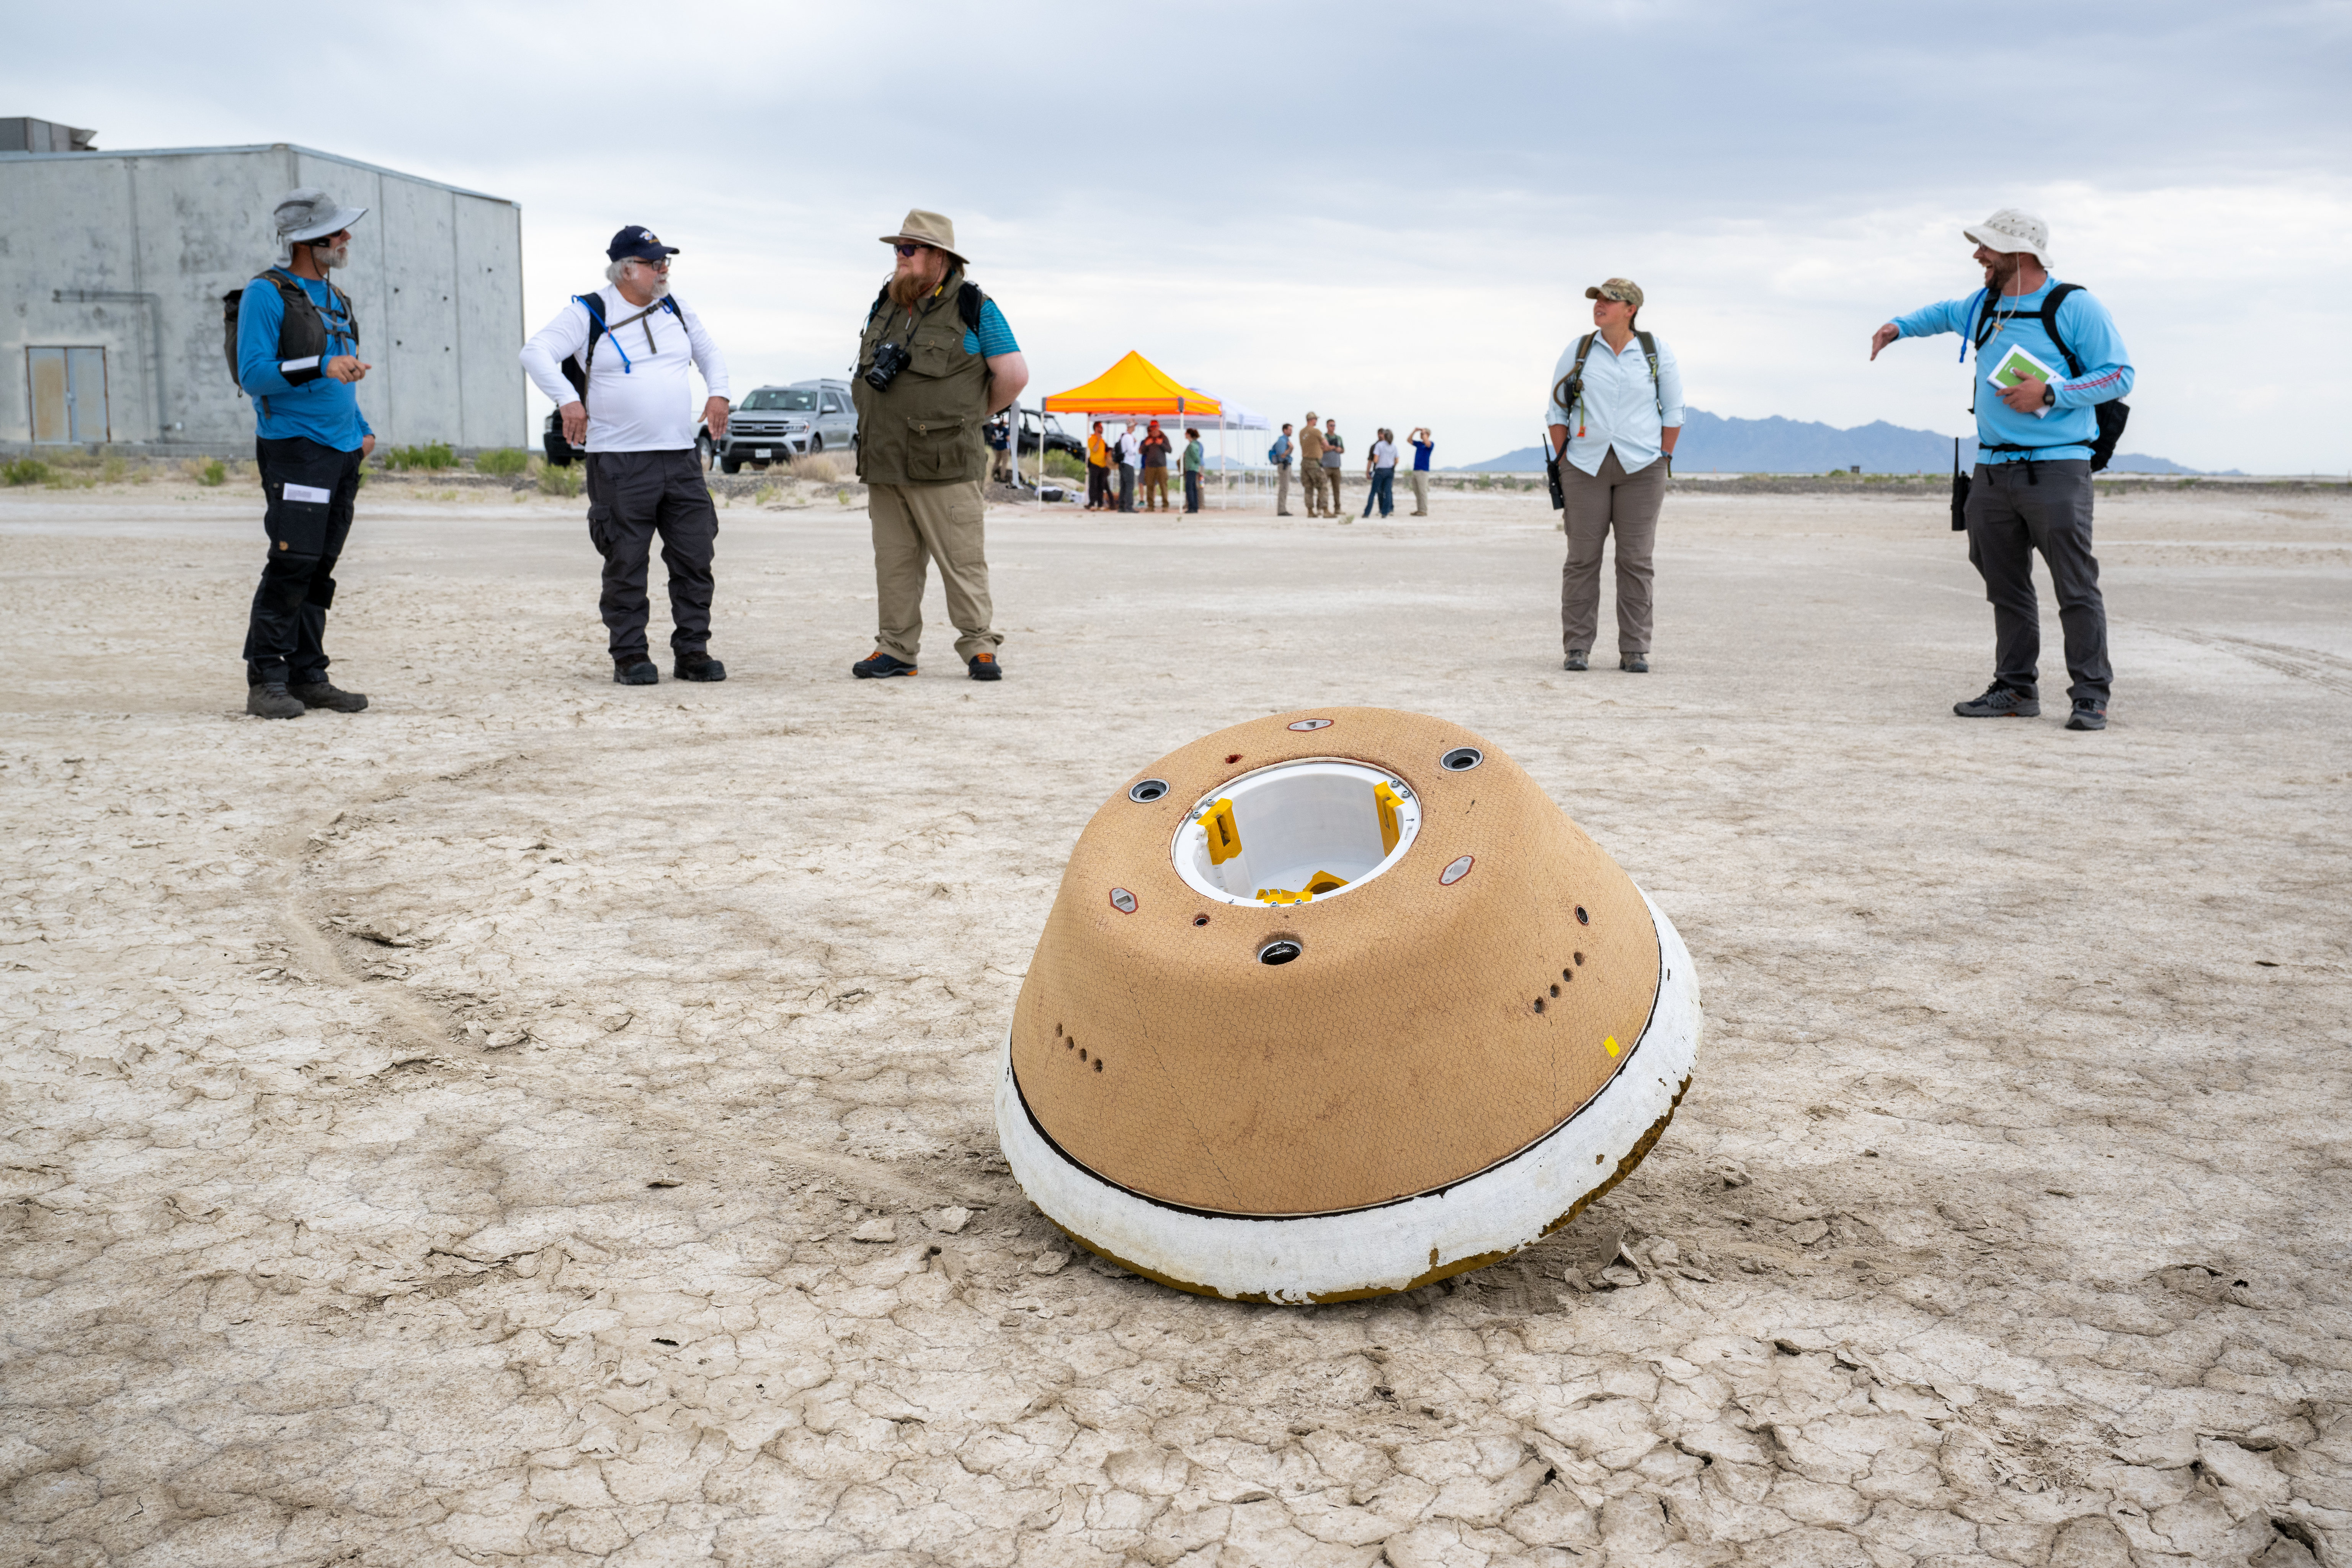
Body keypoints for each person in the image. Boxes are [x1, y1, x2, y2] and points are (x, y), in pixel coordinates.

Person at [1871, 209, 2132, 731]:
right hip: (1991, 470)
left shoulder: (2074, 306)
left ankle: (2090, 695)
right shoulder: (1982, 304)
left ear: (2019, 254)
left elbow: (2118, 376)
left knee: (2075, 586)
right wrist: (1899, 327)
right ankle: (2015, 689)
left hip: (2058, 469)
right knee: (2004, 585)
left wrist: (2051, 393)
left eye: (1987, 248)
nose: (1978, 255)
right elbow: (1942, 314)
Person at [521, 225, 732, 685]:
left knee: (695, 555)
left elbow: (710, 354)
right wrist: (567, 399)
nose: (663, 270)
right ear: (626, 270)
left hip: (680, 458)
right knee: (626, 559)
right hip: (619, 461)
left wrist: (719, 393)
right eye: (654, 264)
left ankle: (693, 651)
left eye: (665, 262)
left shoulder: (676, 308)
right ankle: (630, 654)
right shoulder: (589, 312)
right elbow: (535, 352)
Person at [842, 210, 1028, 681]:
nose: (899, 257)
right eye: (897, 249)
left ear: (939, 256)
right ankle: (896, 649)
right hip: (885, 461)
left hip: (944, 463)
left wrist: (969, 418)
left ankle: (979, 645)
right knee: (895, 563)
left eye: (909, 249)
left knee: (962, 559)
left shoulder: (973, 306)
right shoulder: (885, 304)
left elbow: (1013, 376)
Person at [234, 188, 378, 719]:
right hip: (295, 449)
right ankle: (266, 680)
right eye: (337, 232)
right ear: (308, 241)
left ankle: (309, 675)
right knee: (292, 562)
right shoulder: (265, 293)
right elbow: (254, 375)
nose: (346, 238)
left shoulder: (337, 298)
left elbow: (344, 376)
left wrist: (362, 430)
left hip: (343, 451)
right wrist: (320, 366)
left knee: (320, 567)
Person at [1546, 278, 1682, 674]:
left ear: (1631, 310)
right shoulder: (1579, 350)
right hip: (1584, 466)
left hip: (1642, 469)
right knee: (1581, 559)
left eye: (1610, 300)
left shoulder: (1655, 352)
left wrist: (1663, 456)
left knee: (1636, 560)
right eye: (1598, 299)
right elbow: (1557, 409)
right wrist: (1565, 459)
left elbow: (1674, 411)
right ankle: (1577, 647)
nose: (1600, 304)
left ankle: (1635, 649)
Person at [1361, 428, 1397, 518]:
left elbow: (1376, 460)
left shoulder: (1379, 445)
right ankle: (1385, 513)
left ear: (1384, 436)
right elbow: (1397, 460)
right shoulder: (1394, 446)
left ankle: (1367, 513)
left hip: (1380, 470)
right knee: (1388, 492)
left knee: (1373, 492)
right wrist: (1391, 465)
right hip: (1390, 470)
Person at [1297, 413, 1328, 517]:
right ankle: (1325, 510)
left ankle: (1310, 511)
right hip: (1314, 463)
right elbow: (1326, 444)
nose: (1317, 421)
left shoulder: (1302, 432)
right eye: (1316, 419)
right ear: (1312, 420)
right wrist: (1322, 448)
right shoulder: (1316, 431)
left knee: (1308, 488)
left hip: (1304, 462)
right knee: (1323, 486)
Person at [1140, 420, 1173, 511]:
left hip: (1161, 466)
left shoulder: (1164, 438)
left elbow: (1170, 450)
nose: (1154, 429)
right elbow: (1141, 451)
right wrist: (1146, 445)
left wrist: (1161, 444)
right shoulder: (1148, 439)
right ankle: (1150, 506)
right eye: (1152, 427)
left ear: (1158, 427)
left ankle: (1165, 506)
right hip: (1150, 466)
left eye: (1155, 426)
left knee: (1163, 486)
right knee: (1150, 486)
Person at [1321, 419, 1346, 521]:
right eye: (1331, 425)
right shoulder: (1323, 438)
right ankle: (1322, 508)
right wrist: (1329, 448)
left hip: (1337, 466)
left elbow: (1343, 450)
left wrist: (1340, 450)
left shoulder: (1339, 438)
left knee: (1337, 489)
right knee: (1323, 488)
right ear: (1327, 426)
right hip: (1326, 466)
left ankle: (1338, 508)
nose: (1333, 427)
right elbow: (1320, 449)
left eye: (1334, 425)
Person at [1269, 422, 1296, 515]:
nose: (1291, 432)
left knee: (1285, 488)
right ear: (1285, 430)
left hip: (1287, 465)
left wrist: (1291, 449)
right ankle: (1281, 510)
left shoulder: (1286, 440)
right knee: (1283, 488)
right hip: (1283, 466)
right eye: (1290, 430)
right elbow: (1282, 456)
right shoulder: (1282, 441)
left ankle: (1283, 509)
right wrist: (1290, 448)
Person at [1085, 421, 1112, 511]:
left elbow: (1103, 452)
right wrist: (1098, 439)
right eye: (1100, 427)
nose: (1102, 429)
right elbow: (1095, 450)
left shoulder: (1103, 441)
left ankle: (1100, 504)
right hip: (1095, 465)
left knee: (1101, 486)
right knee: (1093, 485)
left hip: (1103, 466)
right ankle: (1092, 503)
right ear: (1096, 428)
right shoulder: (1091, 439)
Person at [1116, 421, 1142, 513]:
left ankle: (1122, 506)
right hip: (1128, 463)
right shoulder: (1129, 437)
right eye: (1134, 426)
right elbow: (1131, 451)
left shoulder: (1123, 436)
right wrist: (1137, 444)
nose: (1135, 427)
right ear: (1131, 427)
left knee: (1123, 486)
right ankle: (1129, 507)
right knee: (1129, 486)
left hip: (1123, 464)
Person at [1407, 427, 1434, 515]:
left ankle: (1423, 510)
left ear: (1428, 435)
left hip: (1423, 471)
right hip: (1416, 470)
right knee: (1417, 491)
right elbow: (1409, 440)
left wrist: (1424, 432)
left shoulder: (1430, 444)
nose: (1421, 435)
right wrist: (1415, 431)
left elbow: (1427, 443)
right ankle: (1420, 510)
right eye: (1421, 434)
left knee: (1423, 491)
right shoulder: (1419, 444)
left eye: (1423, 434)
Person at [1182, 427, 1206, 513]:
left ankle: (1197, 505)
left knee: (1198, 485)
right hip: (1197, 467)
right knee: (1195, 486)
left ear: (1189, 434)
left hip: (1197, 467)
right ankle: (1195, 505)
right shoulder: (1196, 444)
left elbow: (1197, 457)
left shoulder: (1194, 445)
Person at [987, 416, 1013, 483]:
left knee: (997, 462)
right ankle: (1002, 478)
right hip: (1005, 448)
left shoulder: (995, 429)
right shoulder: (1005, 430)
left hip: (997, 448)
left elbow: (993, 438)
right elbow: (1008, 439)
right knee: (1004, 463)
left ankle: (992, 476)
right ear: (1005, 423)